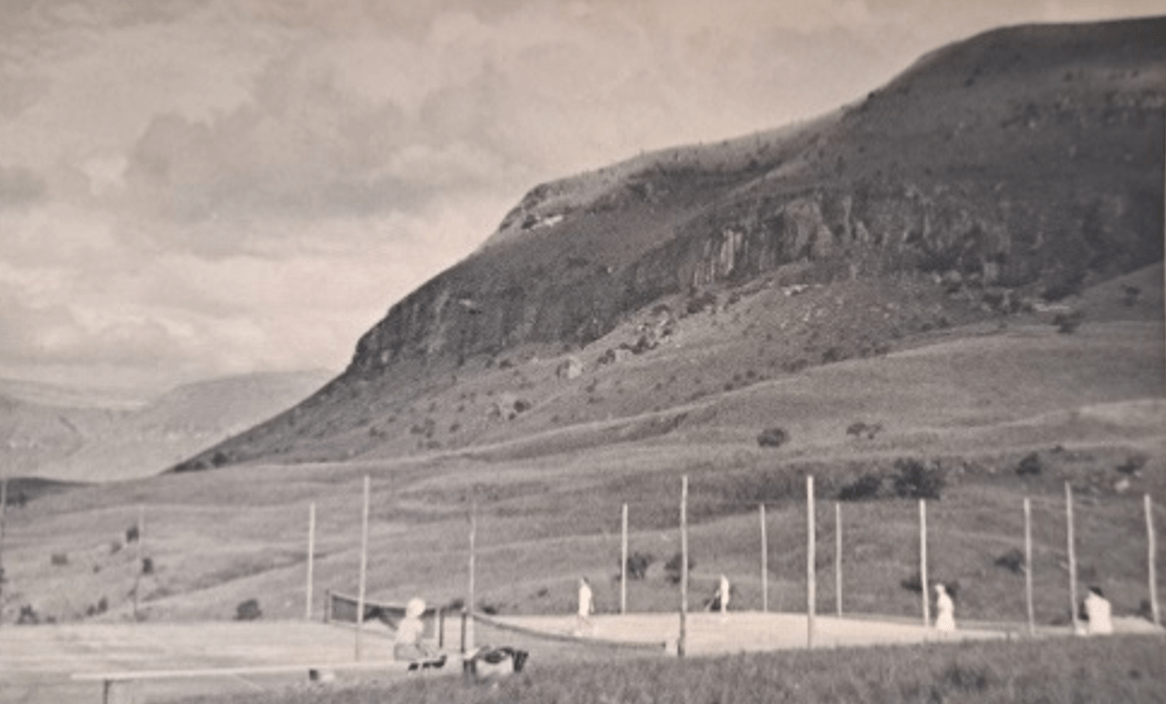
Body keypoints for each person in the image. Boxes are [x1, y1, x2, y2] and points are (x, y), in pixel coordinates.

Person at [393, 597, 440, 662]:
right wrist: (427, 652)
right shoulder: (418, 623)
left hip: (397, 651)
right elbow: (418, 643)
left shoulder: (403, 621)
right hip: (409, 650)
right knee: (429, 655)